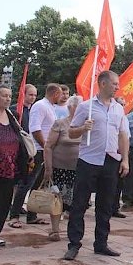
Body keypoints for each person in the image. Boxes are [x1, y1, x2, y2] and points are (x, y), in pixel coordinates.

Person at [63, 70, 129, 261]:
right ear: (102, 84)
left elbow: (123, 135)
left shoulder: (118, 109)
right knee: (79, 204)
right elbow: (71, 132)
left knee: (106, 205)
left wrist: (125, 159)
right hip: (88, 160)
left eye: (118, 84)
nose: (117, 87)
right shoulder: (86, 107)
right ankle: (74, 244)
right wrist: (83, 128)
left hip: (111, 160)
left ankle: (101, 243)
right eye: (115, 84)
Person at [9, 83, 61, 228]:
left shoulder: (51, 107)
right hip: (37, 151)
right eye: (60, 94)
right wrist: (45, 147)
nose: (62, 97)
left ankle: (32, 215)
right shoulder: (40, 106)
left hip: (47, 151)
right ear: (55, 93)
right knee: (26, 183)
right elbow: (35, 128)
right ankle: (14, 216)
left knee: (37, 185)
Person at [43, 95, 83, 241]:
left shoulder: (86, 125)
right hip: (60, 168)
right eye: (76, 107)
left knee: (77, 201)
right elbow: (48, 146)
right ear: (70, 107)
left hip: (80, 169)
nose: (79, 110)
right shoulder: (60, 124)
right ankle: (55, 230)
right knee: (57, 200)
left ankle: (74, 231)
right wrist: (48, 168)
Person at [0, 84, 30, 247]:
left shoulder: (11, 115)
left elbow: (19, 134)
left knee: (4, 202)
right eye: (4, 95)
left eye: (9, 95)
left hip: (10, 167)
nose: (8, 98)